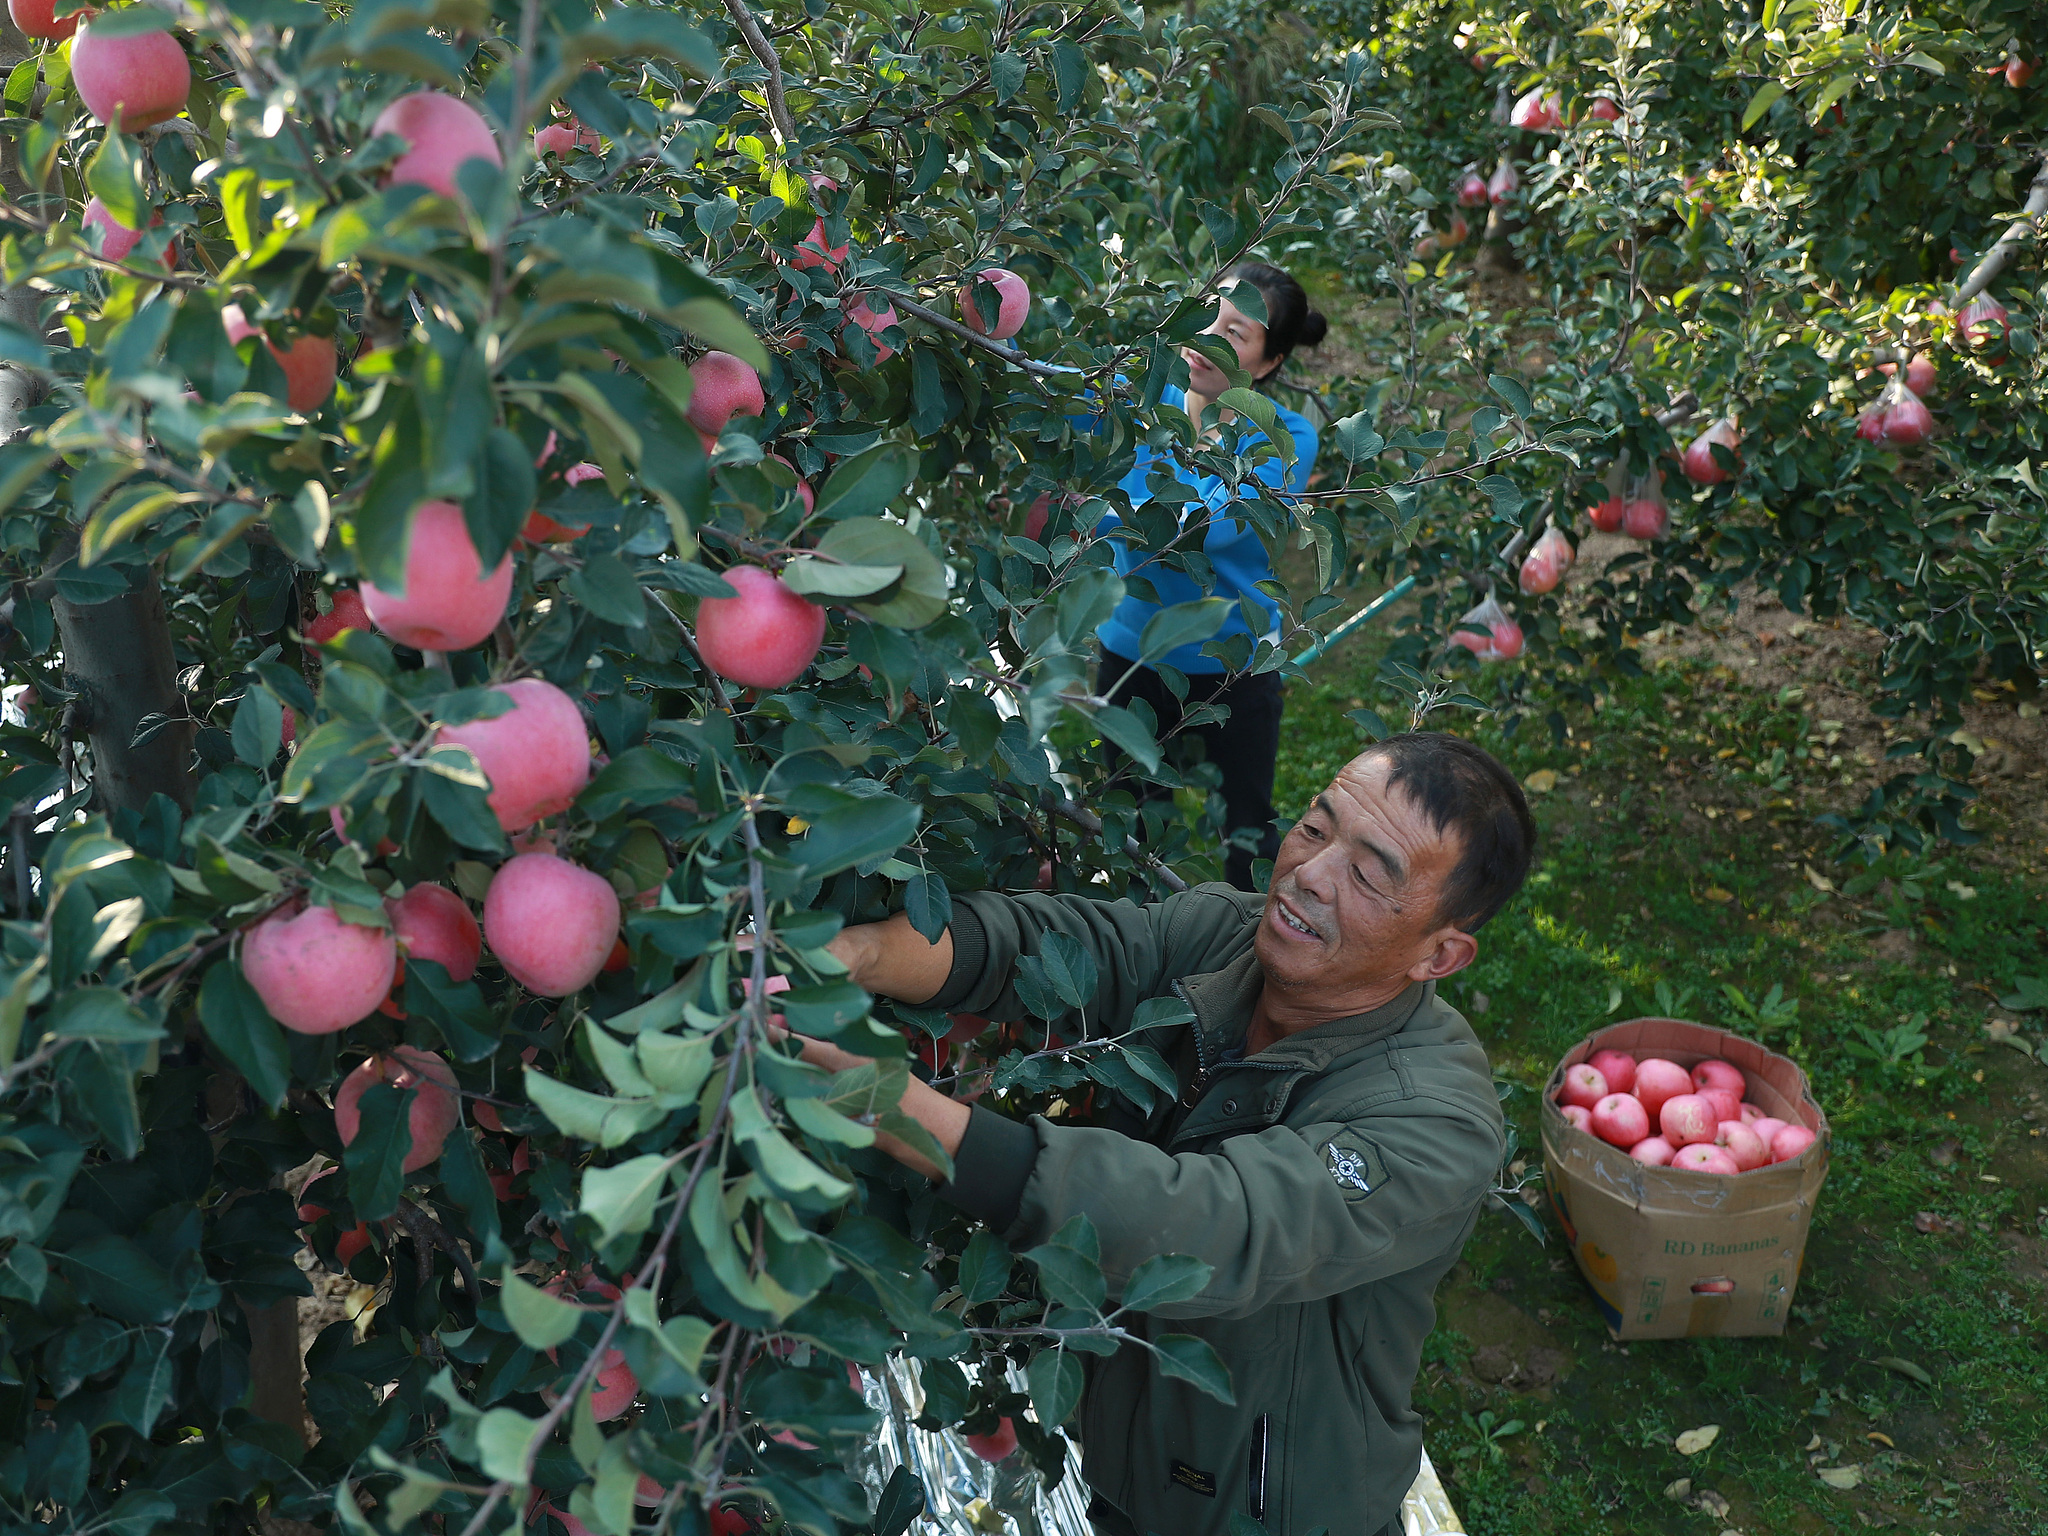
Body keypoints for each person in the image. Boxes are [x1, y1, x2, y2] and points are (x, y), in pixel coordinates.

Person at [799, 732, 1535, 1536]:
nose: (1308, 875)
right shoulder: (1224, 938)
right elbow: (1054, 945)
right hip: (1136, 1466)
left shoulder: (1434, 1124)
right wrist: (853, 952)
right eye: (1317, 829)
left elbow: (1212, 1226)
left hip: (1266, 1512)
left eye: (1367, 874)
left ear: (1441, 954)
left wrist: (900, 1114)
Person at [1095, 262, 1328, 891]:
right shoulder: (1138, 393)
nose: (1207, 336)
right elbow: (1057, 414)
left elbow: (1213, 527)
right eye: (1208, 314)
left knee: (1246, 827)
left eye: (1236, 331)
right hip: (1134, 647)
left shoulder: (1286, 436)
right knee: (1133, 819)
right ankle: (1136, 938)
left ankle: (1245, 947)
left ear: (1269, 362)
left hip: (1236, 663)